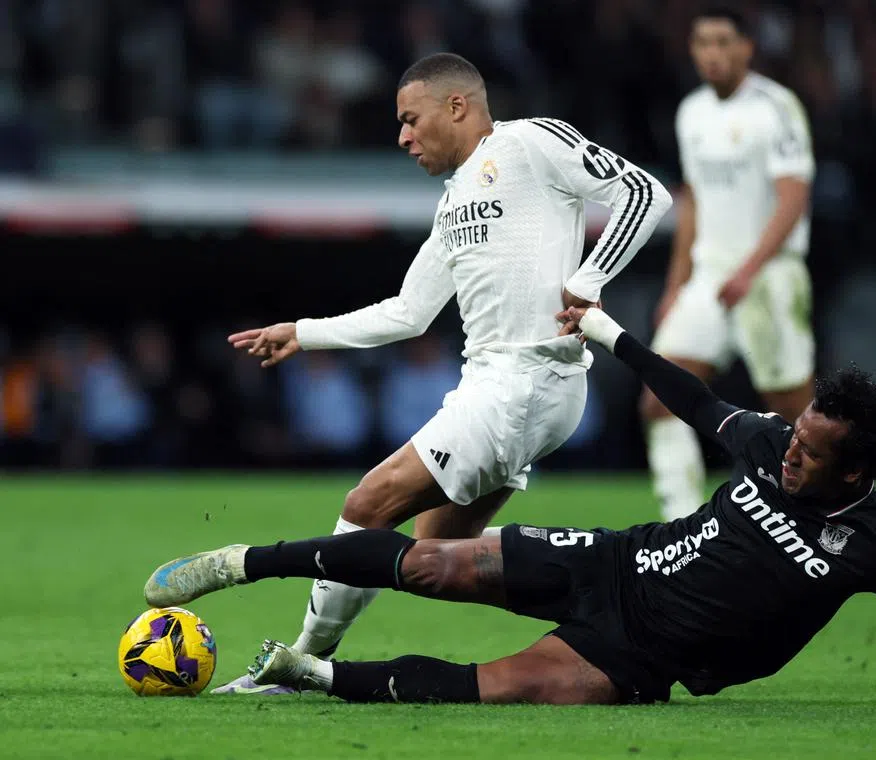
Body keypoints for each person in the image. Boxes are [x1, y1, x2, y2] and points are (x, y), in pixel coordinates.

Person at [145, 307, 876, 715]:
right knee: (435, 563)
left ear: (855, 468)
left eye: (812, 447)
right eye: (796, 428)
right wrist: (609, 329)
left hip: (646, 657)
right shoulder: (770, 441)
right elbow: (695, 400)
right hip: (613, 562)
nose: (790, 445)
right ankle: (245, 563)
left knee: (505, 687)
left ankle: (308, 675)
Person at [211, 52, 672, 694]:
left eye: (409, 119)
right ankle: (602, 599)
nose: (402, 137)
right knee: (436, 556)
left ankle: (294, 667)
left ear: (456, 106)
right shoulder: (454, 202)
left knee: (367, 504)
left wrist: (589, 280)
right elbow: (408, 313)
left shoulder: (530, 142)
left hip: (524, 379)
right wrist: (304, 333)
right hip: (507, 387)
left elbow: (645, 193)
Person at [646, 5, 817, 521]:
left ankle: (824, 518)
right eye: (703, 43)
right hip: (708, 276)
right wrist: (677, 284)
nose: (712, 53)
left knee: (796, 418)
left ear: (747, 47)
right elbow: (692, 201)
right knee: (659, 398)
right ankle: (680, 524)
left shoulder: (776, 106)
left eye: (723, 42)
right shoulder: (691, 111)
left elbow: (793, 197)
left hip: (770, 276)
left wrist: (750, 270)